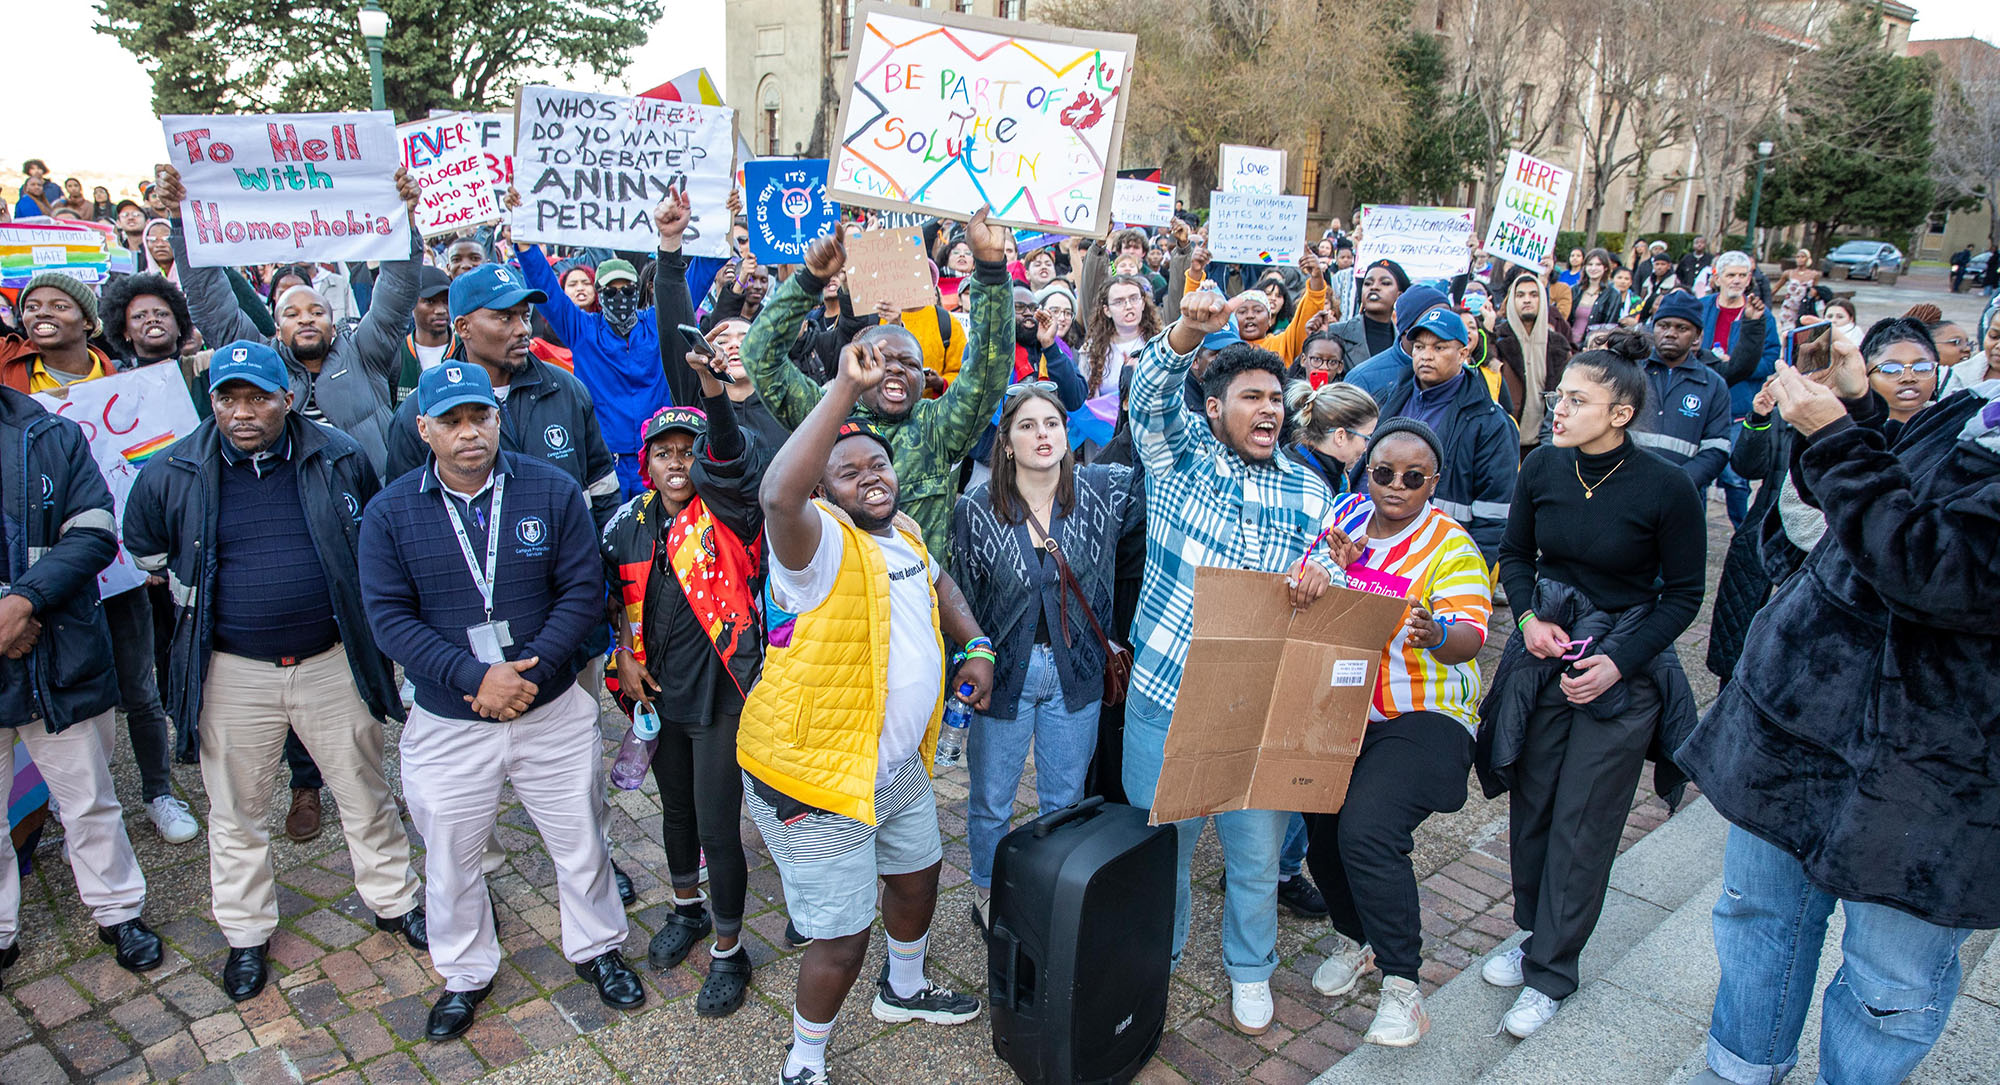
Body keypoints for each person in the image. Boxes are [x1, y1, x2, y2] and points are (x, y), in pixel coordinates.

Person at [1676, 320, 2000, 1085]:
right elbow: (1867, 513)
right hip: (1801, 730)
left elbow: (1931, 570)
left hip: (1936, 777)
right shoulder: (1973, 408)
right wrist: (1857, 412)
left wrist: (1836, 437)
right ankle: (1739, 1068)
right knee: (1759, 918)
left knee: (1890, 981)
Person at [124, 340, 428, 1001]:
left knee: (364, 791)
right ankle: (245, 931)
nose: (242, 411)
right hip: (233, 671)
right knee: (237, 807)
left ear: (287, 399)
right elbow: (146, 550)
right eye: (228, 398)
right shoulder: (173, 471)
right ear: (212, 403)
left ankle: (394, 899)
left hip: (329, 660)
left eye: (258, 397)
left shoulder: (338, 454)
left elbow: (369, 539)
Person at [361, 360, 642, 1041]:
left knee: (580, 835)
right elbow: (388, 618)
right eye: (451, 421)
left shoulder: (550, 489)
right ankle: (463, 971)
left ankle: (598, 947)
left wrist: (532, 671)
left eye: (479, 416)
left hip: (548, 707)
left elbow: (582, 590)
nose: (468, 432)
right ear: (423, 428)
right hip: (451, 715)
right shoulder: (390, 511)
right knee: (451, 854)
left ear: (498, 417)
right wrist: (473, 677)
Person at [745, 339, 995, 1085]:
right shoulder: (815, 546)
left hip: (894, 765)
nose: (869, 478)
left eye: (876, 465)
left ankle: (905, 988)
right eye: (847, 472)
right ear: (826, 493)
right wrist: (843, 394)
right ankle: (805, 1059)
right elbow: (776, 498)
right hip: (819, 778)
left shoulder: (908, 532)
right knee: (841, 933)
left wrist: (974, 642)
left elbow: (939, 582)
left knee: (920, 873)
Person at [1123, 290, 1344, 1037]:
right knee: (1166, 850)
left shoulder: (1310, 488)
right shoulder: (1179, 458)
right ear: (1214, 409)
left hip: (1259, 706)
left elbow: (1332, 583)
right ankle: (1165, 950)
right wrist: (1191, 325)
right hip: (1168, 691)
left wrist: (1324, 581)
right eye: (1250, 395)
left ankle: (1251, 970)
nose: (1268, 409)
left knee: (1255, 857)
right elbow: (1150, 392)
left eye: (1276, 398)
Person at [1475, 331, 1706, 1040]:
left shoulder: (1667, 487)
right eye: (1559, 395)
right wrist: (1531, 615)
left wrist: (1619, 660)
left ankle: (1552, 971)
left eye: (1578, 399)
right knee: (1536, 800)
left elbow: (1685, 595)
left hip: (1623, 665)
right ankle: (1535, 934)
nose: (1559, 407)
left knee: (1585, 816)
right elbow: (1516, 555)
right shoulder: (1542, 465)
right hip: (1547, 651)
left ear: (1621, 414)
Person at [1307, 419, 1492, 1047]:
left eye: (1413, 478)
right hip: (1344, 704)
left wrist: (1435, 632)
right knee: (1322, 828)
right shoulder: (1346, 516)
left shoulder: (1451, 544)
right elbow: (1309, 588)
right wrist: (1331, 573)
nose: (1396, 486)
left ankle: (1402, 986)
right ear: (1366, 471)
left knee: (1368, 828)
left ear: (1432, 484)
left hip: (1424, 712)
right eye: (1383, 471)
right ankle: (1356, 941)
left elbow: (1468, 637)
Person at [7, 271, 205, 848]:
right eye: (32, 305)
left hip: (118, 569)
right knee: (53, 696)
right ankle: (60, 811)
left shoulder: (130, 381)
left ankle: (158, 792)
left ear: (89, 321)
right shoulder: (12, 386)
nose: (42, 312)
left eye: (59, 304)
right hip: (43, 577)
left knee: (137, 686)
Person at [602, 353, 768, 1017]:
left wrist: (714, 398)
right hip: (655, 693)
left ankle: (732, 949)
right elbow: (612, 602)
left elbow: (730, 456)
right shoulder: (626, 522)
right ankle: (687, 909)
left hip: (722, 693)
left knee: (719, 824)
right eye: (664, 452)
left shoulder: (728, 512)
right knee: (675, 813)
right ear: (647, 460)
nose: (677, 463)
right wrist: (623, 657)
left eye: (687, 451)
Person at [950, 383, 1143, 928]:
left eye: (1052, 424)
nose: (1043, 434)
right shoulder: (976, 510)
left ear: (1067, 432)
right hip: (1003, 675)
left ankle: (1053, 889)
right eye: (1028, 425)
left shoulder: (1104, 491)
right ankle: (989, 891)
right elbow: (960, 594)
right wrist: (964, 670)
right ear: (1006, 442)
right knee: (992, 799)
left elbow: (1157, 459)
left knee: (1063, 797)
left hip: (1075, 671)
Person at [0, 364, 164, 982]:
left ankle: (118, 909)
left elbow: (95, 531)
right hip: (29, 638)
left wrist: (23, 603)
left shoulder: (49, 433)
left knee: (89, 800)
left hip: (57, 652)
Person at [740, 212, 1014, 565]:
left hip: (921, 605)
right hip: (845, 603)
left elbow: (987, 369)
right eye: (883, 359)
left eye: (910, 364)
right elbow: (759, 356)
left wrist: (991, 271)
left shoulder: (938, 427)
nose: (896, 368)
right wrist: (809, 281)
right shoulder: (826, 414)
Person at [155, 163, 423, 477]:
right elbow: (210, 303)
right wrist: (180, 219)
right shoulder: (260, 359)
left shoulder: (365, 353)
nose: (306, 319)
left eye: (316, 312)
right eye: (292, 315)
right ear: (278, 331)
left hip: (369, 495)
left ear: (333, 324)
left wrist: (404, 219)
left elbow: (397, 291)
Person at [385, 263, 620, 528]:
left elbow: (603, 487)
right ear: (463, 327)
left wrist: (602, 559)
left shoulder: (566, 390)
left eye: (525, 316)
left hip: (572, 566)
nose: (523, 330)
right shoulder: (423, 409)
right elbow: (404, 513)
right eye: (505, 317)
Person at [1375, 307, 1519, 563]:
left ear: (1463, 353)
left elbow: (1495, 513)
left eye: (1439, 348)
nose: (1426, 356)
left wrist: (1468, 572)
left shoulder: (1489, 421)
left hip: (1444, 556)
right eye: (1419, 347)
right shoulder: (1393, 396)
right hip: (1383, 550)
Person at [1700, 251, 1780, 527]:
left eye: (1742, 275)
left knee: (1735, 478)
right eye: (1731, 275)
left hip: (1738, 406)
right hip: (1703, 403)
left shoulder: (1761, 316)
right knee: (1698, 475)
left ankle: (1742, 530)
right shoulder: (1702, 307)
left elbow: (1771, 359)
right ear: (1717, 278)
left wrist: (1737, 365)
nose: (1736, 280)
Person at [1629, 293, 1734, 490]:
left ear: (1697, 336)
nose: (1670, 333)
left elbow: (1717, 447)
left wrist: (1680, 483)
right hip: (1625, 487)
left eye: (1682, 328)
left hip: (1682, 495)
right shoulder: (1631, 371)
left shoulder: (1712, 385)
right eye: (1664, 325)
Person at [1493, 270, 1573, 448]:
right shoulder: (1497, 340)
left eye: (1533, 294)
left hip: (1544, 440)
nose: (1527, 300)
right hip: (1504, 439)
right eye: (1520, 295)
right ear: (1512, 301)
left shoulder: (1558, 345)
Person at [1284, 380, 1377, 494]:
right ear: (1340, 436)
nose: (1366, 448)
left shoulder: (1332, 473)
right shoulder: (1304, 486)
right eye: (1366, 438)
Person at [1080, 274, 1160, 401]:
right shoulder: (1091, 349)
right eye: (1119, 302)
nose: (1128, 306)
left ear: (1143, 303)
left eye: (1134, 299)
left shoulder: (1160, 343)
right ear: (1107, 310)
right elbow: (1086, 399)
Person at [392, 267, 457, 407]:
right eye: (430, 301)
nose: (440, 310)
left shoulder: (466, 349)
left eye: (446, 301)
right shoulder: (396, 354)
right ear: (411, 303)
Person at [1866, 319, 1941, 437]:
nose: (1908, 378)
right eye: (1891, 369)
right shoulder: (1852, 430)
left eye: (1922, 368)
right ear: (1866, 376)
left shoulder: (1951, 425)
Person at [1327, 259, 1407, 363]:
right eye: (1368, 283)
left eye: (1385, 283)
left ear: (1399, 295)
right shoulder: (1334, 333)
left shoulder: (1405, 345)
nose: (1374, 287)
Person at [1569, 249, 1613, 346]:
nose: (1593, 268)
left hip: (1591, 346)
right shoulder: (1575, 290)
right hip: (1568, 343)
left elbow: (1609, 325)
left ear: (1605, 267)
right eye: (1590, 264)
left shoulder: (1613, 294)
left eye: (1598, 264)